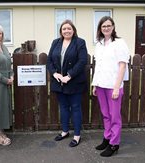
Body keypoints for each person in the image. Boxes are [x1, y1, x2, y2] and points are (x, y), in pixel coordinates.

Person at [92, 16, 129, 157]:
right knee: (105, 115)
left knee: (114, 116)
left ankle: (114, 144)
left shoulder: (119, 43)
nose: (106, 28)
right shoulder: (99, 44)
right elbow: (98, 67)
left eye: (108, 25)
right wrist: (95, 85)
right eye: (103, 26)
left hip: (113, 86)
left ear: (113, 27)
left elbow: (122, 66)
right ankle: (107, 138)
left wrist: (116, 87)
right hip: (101, 85)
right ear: (100, 29)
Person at [47, 20, 88, 147]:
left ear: (73, 30)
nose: (66, 31)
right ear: (61, 31)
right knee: (63, 107)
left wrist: (69, 76)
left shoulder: (80, 42)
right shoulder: (55, 42)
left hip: (74, 82)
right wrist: (55, 74)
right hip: (59, 82)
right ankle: (65, 131)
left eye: (69, 28)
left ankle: (77, 135)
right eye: (64, 29)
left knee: (75, 107)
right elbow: (49, 61)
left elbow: (82, 61)